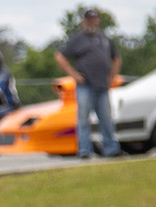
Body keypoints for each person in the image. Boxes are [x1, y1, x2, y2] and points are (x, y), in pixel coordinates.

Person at [55, 8, 122, 158]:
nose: (92, 22)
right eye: (89, 19)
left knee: (106, 119)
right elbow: (60, 56)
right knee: (83, 120)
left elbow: (116, 58)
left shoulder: (105, 38)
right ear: (84, 21)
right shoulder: (78, 39)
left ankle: (111, 149)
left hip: (102, 86)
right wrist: (73, 74)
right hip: (85, 86)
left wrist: (112, 77)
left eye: (94, 19)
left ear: (98, 20)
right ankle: (84, 150)